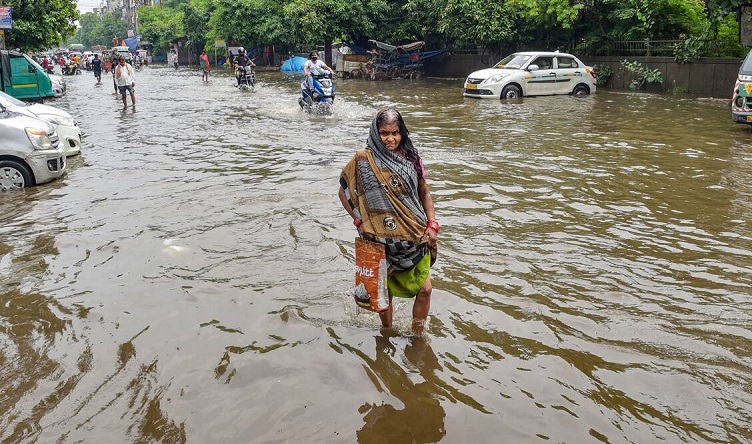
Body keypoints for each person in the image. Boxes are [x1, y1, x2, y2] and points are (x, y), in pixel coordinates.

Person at [338, 108, 439, 335]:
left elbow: (424, 193)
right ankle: (388, 333)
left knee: (425, 289)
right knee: (385, 293)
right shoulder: (363, 159)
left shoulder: (412, 158)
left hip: (415, 236)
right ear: (376, 132)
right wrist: (359, 222)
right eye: (384, 133)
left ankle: (417, 335)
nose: (390, 138)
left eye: (395, 132)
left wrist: (432, 224)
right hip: (380, 240)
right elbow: (343, 192)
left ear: (402, 133)